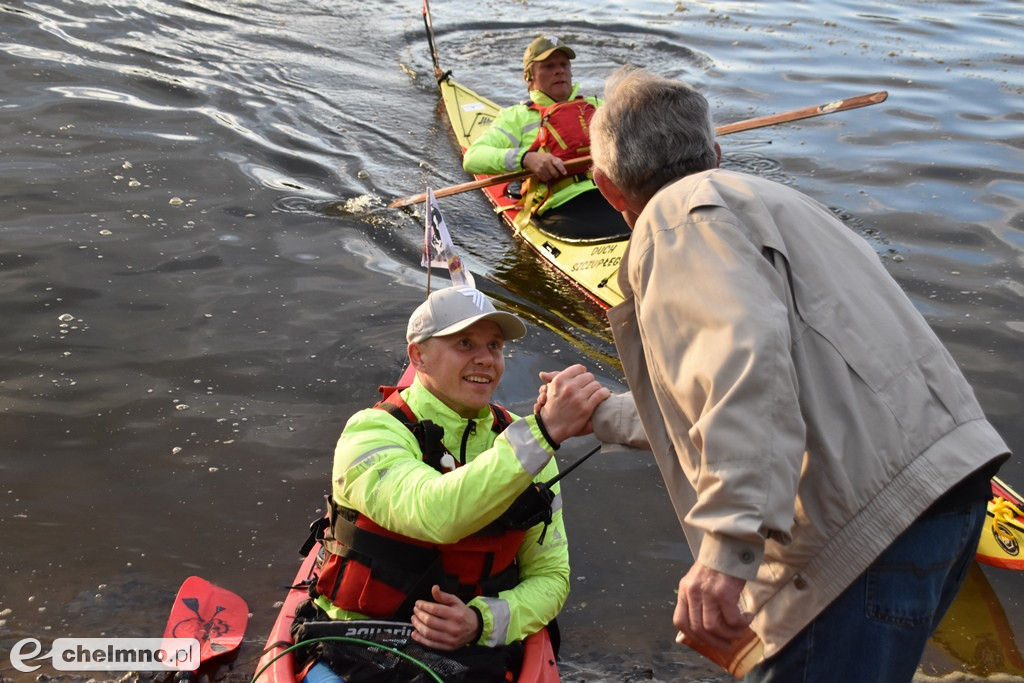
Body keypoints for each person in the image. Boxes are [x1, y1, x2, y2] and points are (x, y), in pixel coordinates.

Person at [572, 67, 1009, 682]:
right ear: (716, 152)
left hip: (862, 530)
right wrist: (605, 416)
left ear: (606, 186)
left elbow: (742, 371)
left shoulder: (675, 222)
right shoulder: (781, 202)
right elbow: (785, 377)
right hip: (950, 489)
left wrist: (726, 550)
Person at [301, 285, 609, 682]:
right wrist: (545, 432)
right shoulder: (371, 433)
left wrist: (480, 622)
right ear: (418, 356)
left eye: (495, 346)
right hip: (361, 641)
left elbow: (551, 577)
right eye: (465, 343)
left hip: (471, 649)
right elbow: (435, 513)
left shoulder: (524, 442)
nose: (486, 359)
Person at [462, 34, 629, 242]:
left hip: (614, 197)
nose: (559, 70)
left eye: (563, 64)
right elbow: (472, 158)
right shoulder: (517, 117)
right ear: (529, 78)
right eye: (549, 66)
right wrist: (526, 158)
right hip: (562, 206)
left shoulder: (597, 106)